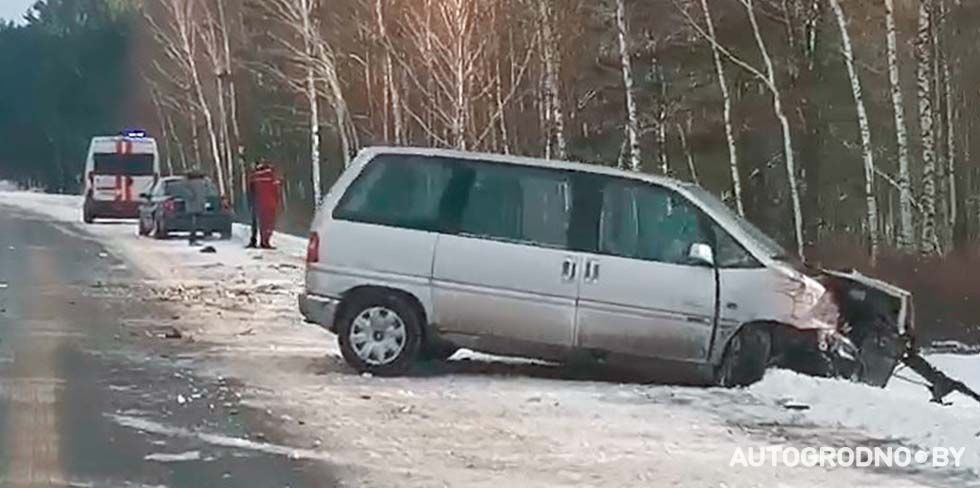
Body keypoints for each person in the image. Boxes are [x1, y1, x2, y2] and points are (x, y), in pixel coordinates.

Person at [248, 161, 282, 249]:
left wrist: (252, 201)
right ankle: (265, 241)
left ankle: (254, 240)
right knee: (268, 224)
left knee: (257, 222)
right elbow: (277, 191)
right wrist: (278, 202)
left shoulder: (255, 176)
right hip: (270, 204)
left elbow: (251, 189)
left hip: (257, 203)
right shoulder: (272, 176)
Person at [185, 170, 208, 246]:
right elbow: (203, 194)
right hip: (197, 204)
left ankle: (193, 239)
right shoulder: (202, 183)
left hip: (193, 205)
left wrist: (191, 196)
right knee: (195, 223)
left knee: (194, 223)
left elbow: (187, 192)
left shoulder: (188, 183)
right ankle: (193, 239)